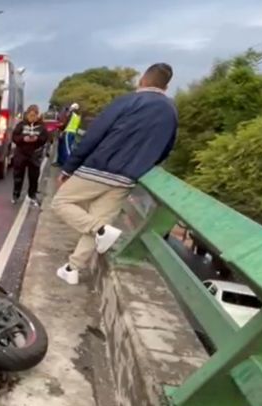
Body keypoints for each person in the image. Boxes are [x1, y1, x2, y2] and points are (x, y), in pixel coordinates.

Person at [52, 63, 178, 286]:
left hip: (99, 168)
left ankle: (98, 230)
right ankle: (72, 268)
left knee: (61, 203)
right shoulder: (171, 111)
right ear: (166, 87)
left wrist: (69, 168)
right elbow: (166, 148)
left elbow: (94, 135)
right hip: (128, 176)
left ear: (142, 80)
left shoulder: (127, 101)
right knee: (101, 221)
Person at [11, 104, 49, 205]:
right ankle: (16, 194)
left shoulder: (41, 127)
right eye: (30, 115)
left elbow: (45, 138)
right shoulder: (21, 125)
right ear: (27, 115)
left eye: (34, 115)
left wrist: (37, 139)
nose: (32, 118)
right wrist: (23, 139)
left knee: (34, 176)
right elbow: (14, 137)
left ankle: (32, 195)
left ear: (37, 115)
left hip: (34, 154)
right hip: (21, 153)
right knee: (18, 175)